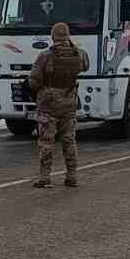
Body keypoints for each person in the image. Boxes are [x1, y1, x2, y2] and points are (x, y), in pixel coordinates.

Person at [27, 22, 89, 188]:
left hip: (49, 104)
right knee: (69, 140)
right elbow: (85, 66)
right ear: (68, 36)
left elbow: (34, 81)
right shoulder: (79, 54)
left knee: (47, 141)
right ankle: (72, 176)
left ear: (53, 36)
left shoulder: (45, 56)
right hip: (70, 101)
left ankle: (45, 178)